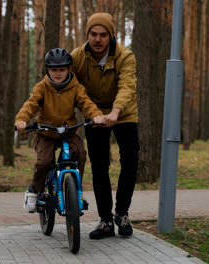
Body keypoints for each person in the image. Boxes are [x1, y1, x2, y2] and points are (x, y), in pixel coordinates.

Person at [70, 12, 139, 239]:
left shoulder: (125, 56)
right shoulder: (77, 57)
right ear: (87, 34)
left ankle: (122, 214)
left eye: (103, 35)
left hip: (124, 112)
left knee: (130, 161)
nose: (97, 39)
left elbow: (127, 86)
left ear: (111, 36)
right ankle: (106, 221)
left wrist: (116, 111)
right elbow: (69, 87)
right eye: (93, 34)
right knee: (99, 166)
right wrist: (94, 113)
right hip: (95, 114)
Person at [15, 48, 105, 213]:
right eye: (54, 70)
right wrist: (22, 120)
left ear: (68, 69)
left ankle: (77, 191)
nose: (58, 73)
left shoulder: (75, 87)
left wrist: (97, 116)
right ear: (48, 70)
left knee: (80, 153)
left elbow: (86, 104)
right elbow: (31, 104)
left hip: (67, 132)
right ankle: (35, 190)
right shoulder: (42, 87)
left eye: (62, 69)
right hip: (46, 133)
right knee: (44, 162)